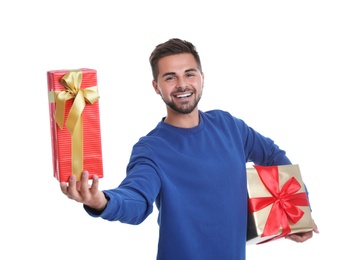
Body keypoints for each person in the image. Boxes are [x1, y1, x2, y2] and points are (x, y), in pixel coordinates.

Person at [60, 38, 319, 259]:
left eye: (189, 74)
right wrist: (101, 202)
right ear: (156, 86)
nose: (182, 84)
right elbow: (137, 200)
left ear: (202, 78)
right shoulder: (151, 149)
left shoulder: (230, 126)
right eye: (170, 77)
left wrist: (295, 214)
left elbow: (274, 157)